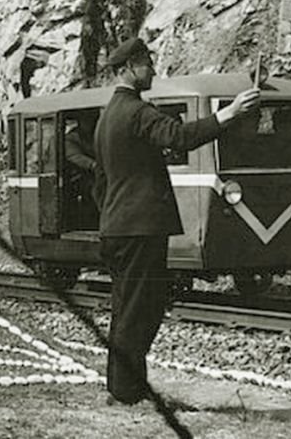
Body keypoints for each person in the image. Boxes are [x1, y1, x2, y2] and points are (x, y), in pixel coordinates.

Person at [94, 37, 261, 405]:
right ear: (128, 69)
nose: (153, 69)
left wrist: (113, 215)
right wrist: (229, 113)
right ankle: (127, 394)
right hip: (140, 229)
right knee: (142, 311)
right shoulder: (137, 112)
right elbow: (179, 137)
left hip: (118, 227)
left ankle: (121, 389)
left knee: (125, 310)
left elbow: (99, 182)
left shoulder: (107, 117)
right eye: (146, 63)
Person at [64, 115, 99, 230]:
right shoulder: (71, 138)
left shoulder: (94, 136)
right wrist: (93, 165)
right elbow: (74, 156)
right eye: (88, 121)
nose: (91, 124)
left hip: (91, 175)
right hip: (75, 179)